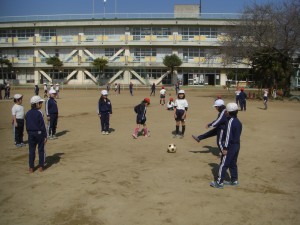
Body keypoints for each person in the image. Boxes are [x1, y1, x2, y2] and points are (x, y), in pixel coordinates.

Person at [210, 102, 242, 189]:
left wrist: (225, 148)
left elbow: (228, 137)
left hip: (230, 146)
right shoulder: (238, 121)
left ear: (228, 112)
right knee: (233, 163)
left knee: (223, 164)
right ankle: (234, 180)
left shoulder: (230, 122)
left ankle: (219, 183)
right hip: (237, 145)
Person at [25, 95, 47, 173]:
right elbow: (42, 125)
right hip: (39, 133)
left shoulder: (27, 113)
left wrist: (29, 133)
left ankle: (31, 167)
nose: (41, 104)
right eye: (40, 103)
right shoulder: (39, 113)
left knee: (31, 151)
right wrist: (45, 136)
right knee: (41, 150)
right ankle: (41, 166)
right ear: (37, 104)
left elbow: (27, 125)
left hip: (31, 133)